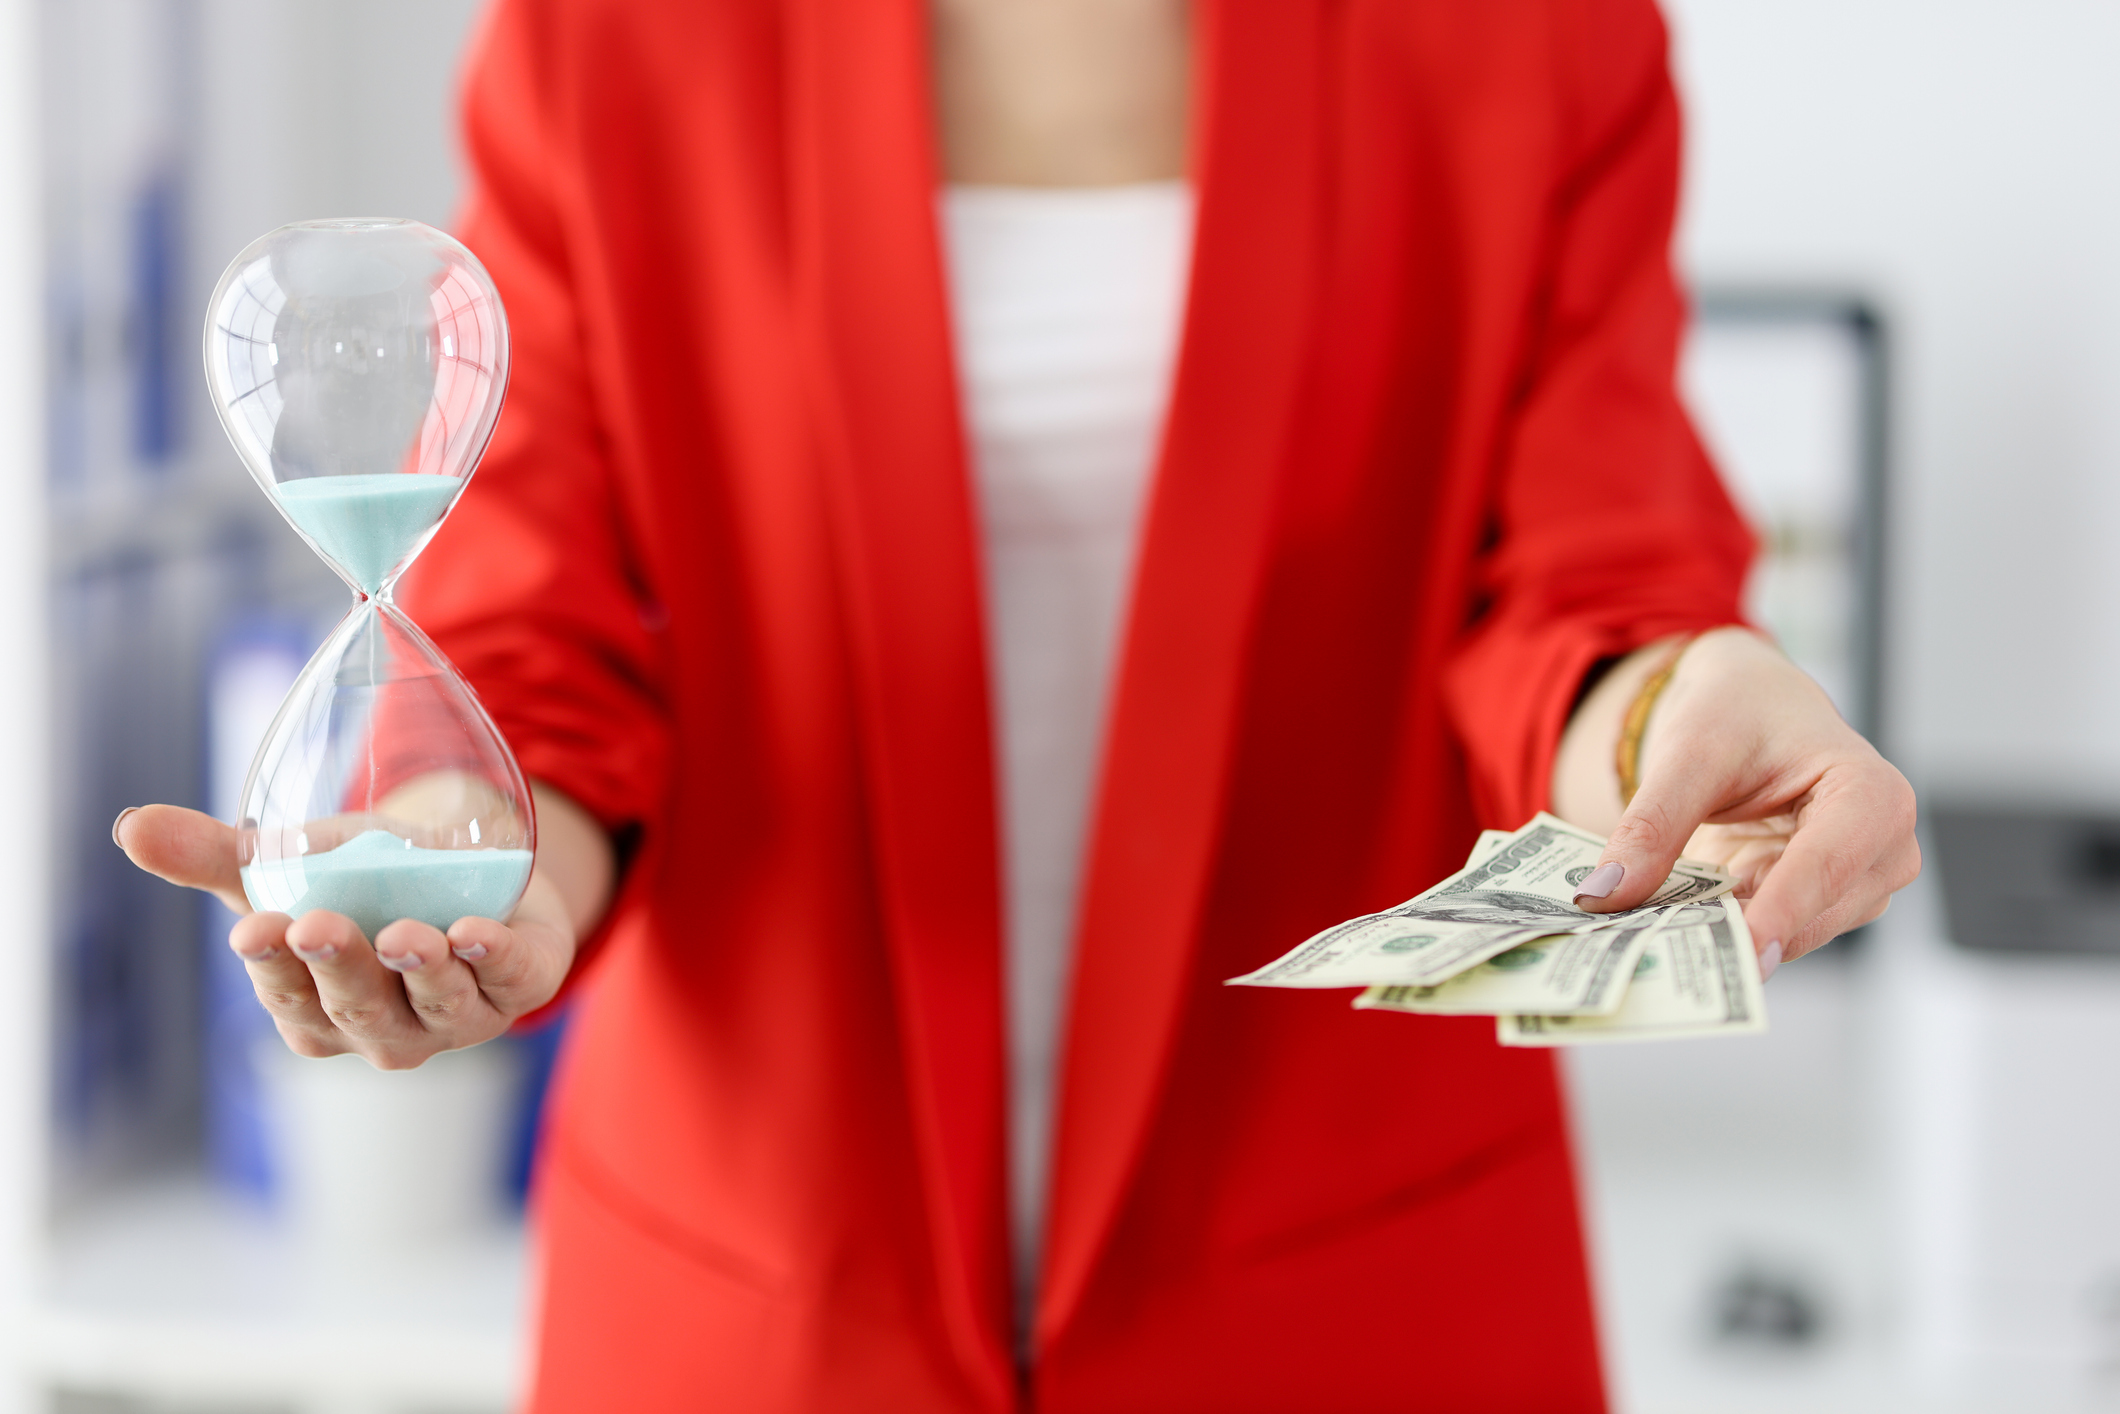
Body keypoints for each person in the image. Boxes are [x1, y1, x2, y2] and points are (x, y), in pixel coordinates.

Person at [117, 0, 1919, 1408]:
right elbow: (545, 635)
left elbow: (1582, 583)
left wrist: (1686, 711)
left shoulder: (1537, 41)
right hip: (756, 1307)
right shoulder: (610, 40)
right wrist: (470, 858)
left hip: (1357, 1299)